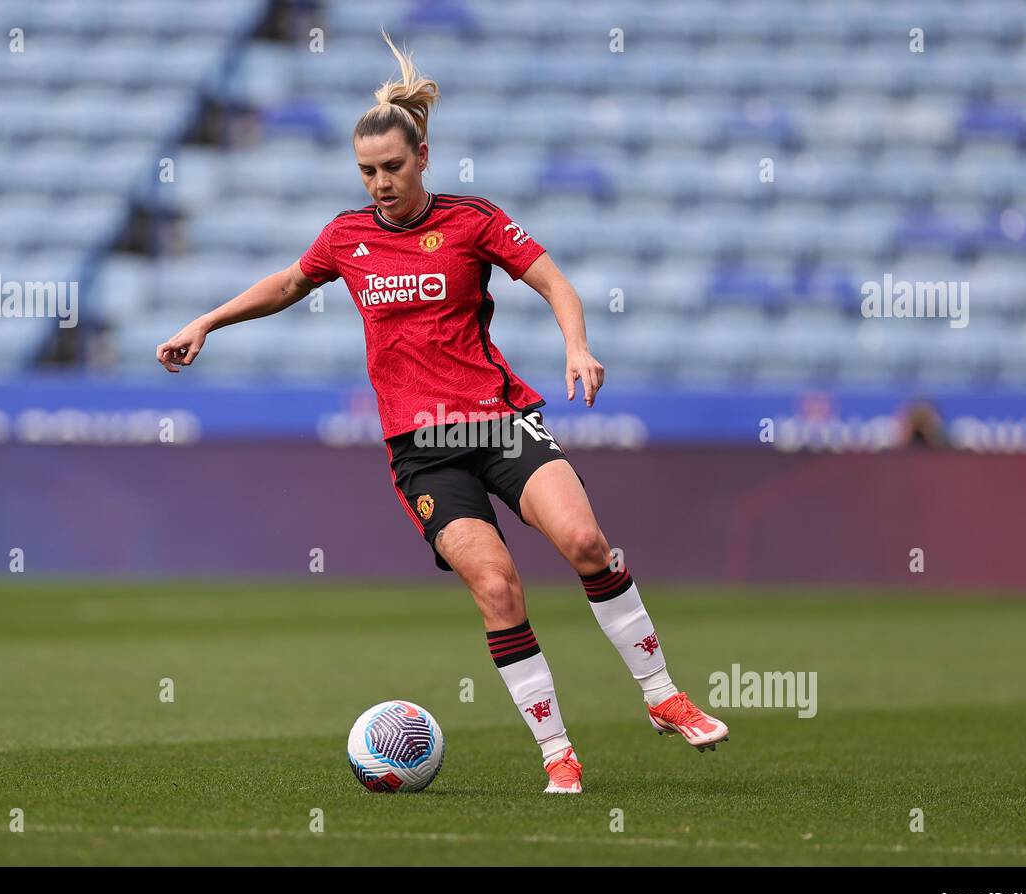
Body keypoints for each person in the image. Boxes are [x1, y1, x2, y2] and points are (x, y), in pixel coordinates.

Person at [157, 31, 728, 793]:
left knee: (587, 542)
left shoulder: (473, 222)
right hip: (422, 450)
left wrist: (577, 346)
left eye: (392, 167)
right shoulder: (346, 237)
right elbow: (290, 284)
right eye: (366, 172)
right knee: (497, 588)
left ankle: (662, 699)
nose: (380, 184)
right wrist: (205, 322)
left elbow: (554, 281)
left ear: (423, 156)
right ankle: (558, 752)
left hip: (497, 421)